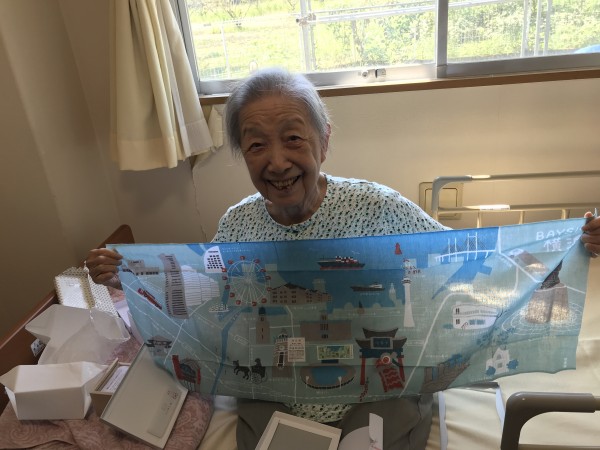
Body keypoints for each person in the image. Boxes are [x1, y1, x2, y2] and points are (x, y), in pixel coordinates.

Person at [86, 68, 600, 449]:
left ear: (324, 141)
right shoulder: (237, 225)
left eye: (293, 138)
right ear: (243, 154)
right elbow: (209, 297)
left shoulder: (378, 207)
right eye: (257, 145)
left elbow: (463, 258)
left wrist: (576, 242)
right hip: (274, 383)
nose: (278, 161)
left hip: (377, 382)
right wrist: (130, 276)